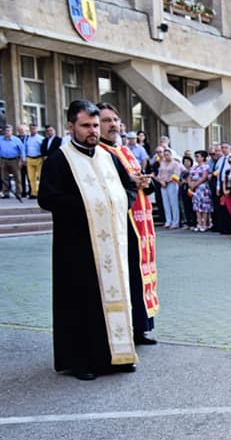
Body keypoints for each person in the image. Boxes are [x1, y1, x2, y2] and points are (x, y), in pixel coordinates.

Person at [38, 100, 140, 380]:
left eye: (96, 125)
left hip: (111, 244)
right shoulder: (60, 159)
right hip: (77, 246)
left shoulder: (108, 157)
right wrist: (85, 205)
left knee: (113, 298)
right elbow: (46, 197)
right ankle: (81, 362)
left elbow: (129, 186)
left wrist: (122, 202)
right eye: (86, 126)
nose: (92, 131)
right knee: (82, 302)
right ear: (71, 126)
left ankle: (116, 357)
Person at [97, 102, 160, 347]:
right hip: (123, 224)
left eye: (115, 119)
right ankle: (129, 329)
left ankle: (141, 328)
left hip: (142, 224)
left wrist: (146, 182)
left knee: (142, 275)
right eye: (106, 121)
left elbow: (142, 180)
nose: (113, 125)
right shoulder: (102, 153)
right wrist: (132, 183)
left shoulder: (125, 150)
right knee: (129, 276)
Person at [156, 148, 181, 229]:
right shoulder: (162, 163)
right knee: (166, 203)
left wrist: (167, 181)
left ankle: (175, 221)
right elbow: (159, 174)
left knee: (173, 203)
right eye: (165, 155)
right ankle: (168, 221)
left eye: (168, 154)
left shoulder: (175, 164)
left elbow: (176, 175)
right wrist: (161, 181)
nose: (166, 156)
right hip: (163, 184)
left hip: (171, 183)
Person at [190, 150, 213, 232]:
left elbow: (204, 177)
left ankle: (205, 223)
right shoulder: (194, 167)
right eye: (195, 156)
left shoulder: (206, 167)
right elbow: (189, 176)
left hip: (202, 187)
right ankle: (198, 223)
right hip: (195, 188)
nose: (196, 158)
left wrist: (195, 184)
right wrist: (190, 184)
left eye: (198, 156)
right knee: (197, 206)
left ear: (203, 157)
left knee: (204, 206)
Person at [0, 125, 25, 199]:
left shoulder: (16, 139)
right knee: (4, 177)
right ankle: (6, 193)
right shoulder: (0, 139)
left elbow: (22, 150)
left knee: (17, 177)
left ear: (11, 131)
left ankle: (19, 193)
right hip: (3, 160)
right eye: (6, 131)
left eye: (9, 131)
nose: (7, 132)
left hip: (14, 160)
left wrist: (22, 160)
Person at [24, 123, 44, 199]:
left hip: (38, 158)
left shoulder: (40, 138)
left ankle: (41, 191)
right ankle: (34, 193)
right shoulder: (27, 138)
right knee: (31, 177)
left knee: (40, 176)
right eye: (31, 129)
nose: (32, 130)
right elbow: (25, 148)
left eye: (34, 128)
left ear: (36, 129)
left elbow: (43, 148)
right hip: (29, 158)